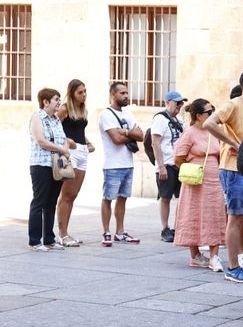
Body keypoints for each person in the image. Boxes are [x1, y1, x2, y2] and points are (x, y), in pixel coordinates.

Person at [203, 69, 243, 283]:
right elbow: (209, 123)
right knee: (235, 216)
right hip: (232, 168)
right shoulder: (233, 105)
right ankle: (232, 267)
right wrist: (233, 143)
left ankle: (240, 259)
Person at [173, 99, 226, 271]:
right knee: (193, 213)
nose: (213, 115)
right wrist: (192, 170)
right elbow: (178, 157)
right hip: (196, 181)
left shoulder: (214, 131)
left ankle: (214, 256)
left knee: (215, 214)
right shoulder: (190, 133)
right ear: (199, 115)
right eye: (209, 112)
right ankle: (195, 254)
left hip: (214, 181)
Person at [98, 82, 144, 246]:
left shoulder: (128, 113)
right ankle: (106, 232)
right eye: (122, 93)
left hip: (128, 164)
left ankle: (120, 231)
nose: (126, 96)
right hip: (113, 164)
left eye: (126, 93)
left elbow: (141, 135)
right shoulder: (106, 115)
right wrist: (129, 134)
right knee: (108, 198)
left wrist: (124, 131)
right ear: (113, 94)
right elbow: (116, 140)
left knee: (123, 198)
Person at [28, 88, 70, 251]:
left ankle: (49, 239)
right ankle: (34, 241)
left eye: (59, 99)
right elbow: (41, 140)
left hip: (56, 165)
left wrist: (65, 152)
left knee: (51, 202)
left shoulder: (56, 120)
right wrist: (62, 149)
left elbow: (64, 139)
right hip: (41, 165)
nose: (59, 102)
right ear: (45, 102)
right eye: (56, 99)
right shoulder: (37, 117)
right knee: (39, 201)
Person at [55, 79, 94, 247]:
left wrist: (88, 143)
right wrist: (67, 143)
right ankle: (62, 235)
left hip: (83, 151)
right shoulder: (64, 109)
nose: (84, 95)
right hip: (70, 152)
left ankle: (66, 233)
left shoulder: (82, 109)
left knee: (74, 195)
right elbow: (53, 128)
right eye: (80, 92)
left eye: (85, 91)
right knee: (66, 195)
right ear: (72, 93)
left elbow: (79, 130)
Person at [152, 90, 187, 243]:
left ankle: (177, 227)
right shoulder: (160, 119)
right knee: (165, 197)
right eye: (176, 102)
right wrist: (161, 167)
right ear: (167, 103)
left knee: (182, 198)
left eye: (181, 103)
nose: (179, 106)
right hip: (166, 163)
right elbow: (155, 143)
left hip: (179, 165)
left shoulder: (180, 121)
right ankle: (164, 228)